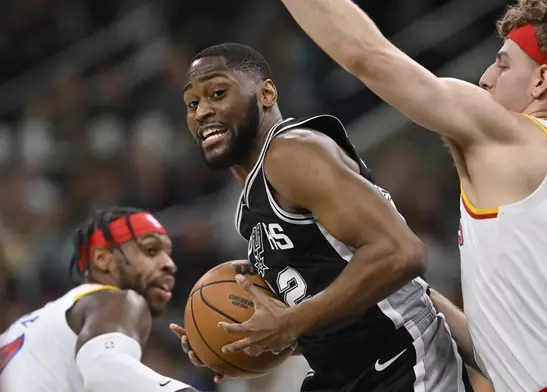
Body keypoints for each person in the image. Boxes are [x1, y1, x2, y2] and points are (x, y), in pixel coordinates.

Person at [273, 0, 547, 390]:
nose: (485, 78)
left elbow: (366, 55)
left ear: (540, 80)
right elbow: (499, 353)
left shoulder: (514, 137)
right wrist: (408, 296)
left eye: (502, 63)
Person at [171, 42, 472, 392]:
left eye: (217, 93)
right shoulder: (251, 207)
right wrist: (233, 338)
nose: (202, 111)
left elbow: (401, 253)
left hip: (401, 364)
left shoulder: (290, 154)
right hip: (347, 374)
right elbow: (330, 317)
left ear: (266, 94)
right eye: (192, 103)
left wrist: (291, 323)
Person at [0, 207, 198, 392]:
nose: (169, 264)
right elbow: (105, 369)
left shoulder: (22, 330)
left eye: (169, 254)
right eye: (151, 250)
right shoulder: (115, 299)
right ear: (103, 259)